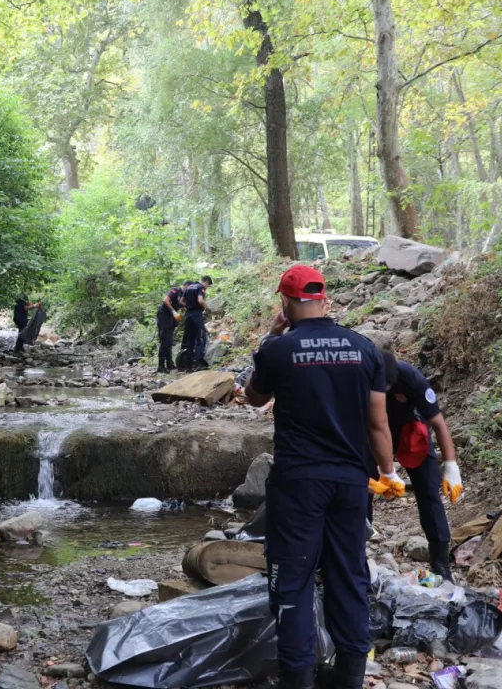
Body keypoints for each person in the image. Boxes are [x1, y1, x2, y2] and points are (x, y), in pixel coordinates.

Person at [242, 265, 401, 689]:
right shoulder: (364, 348)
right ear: (324, 300)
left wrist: (272, 336)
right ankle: (349, 676)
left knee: (292, 580)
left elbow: (253, 397)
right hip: (351, 483)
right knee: (348, 576)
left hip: (299, 482)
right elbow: (378, 424)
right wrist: (389, 472)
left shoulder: (278, 350)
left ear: (285, 302)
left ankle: (298, 678)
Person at [381, 350, 463, 581]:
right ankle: (355, 554)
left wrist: (451, 466)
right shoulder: (362, 376)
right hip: (372, 431)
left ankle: (440, 562)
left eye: (387, 387)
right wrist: (381, 468)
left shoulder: (412, 379)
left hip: (409, 430)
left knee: (428, 490)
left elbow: (438, 423)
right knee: (361, 487)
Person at [178, 276, 212, 371]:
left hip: (188, 315)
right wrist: (205, 307)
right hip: (197, 315)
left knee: (190, 341)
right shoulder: (200, 287)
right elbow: (200, 300)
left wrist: (189, 306)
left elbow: (181, 301)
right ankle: (198, 362)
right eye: (207, 285)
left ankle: (188, 366)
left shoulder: (189, 287)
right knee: (201, 338)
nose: (206, 287)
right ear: (206, 282)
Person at [156, 283, 184, 373]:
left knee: (169, 342)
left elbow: (182, 305)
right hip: (164, 318)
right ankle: (161, 366)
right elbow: (165, 300)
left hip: (171, 320)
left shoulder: (182, 295)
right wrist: (173, 311)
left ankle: (169, 364)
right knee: (164, 342)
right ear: (186, 286)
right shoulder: (175, 290)